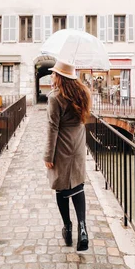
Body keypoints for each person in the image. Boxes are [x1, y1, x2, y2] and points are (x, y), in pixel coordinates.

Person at [43, 60, 92, 251]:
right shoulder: (84, 93)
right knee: (78, 186)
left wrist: (48, 155)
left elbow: (52, 128)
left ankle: (68, 228)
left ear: (60, 77)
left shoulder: (55, 98)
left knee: (61, 187)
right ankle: (83, 228)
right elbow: (85, 117)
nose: (52, 76)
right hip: (78, 145)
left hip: (62, 146)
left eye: (54, 73)